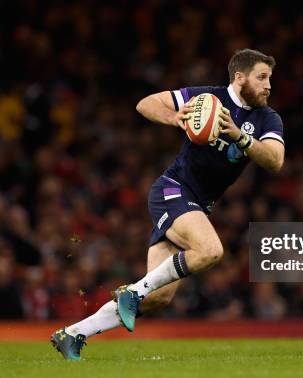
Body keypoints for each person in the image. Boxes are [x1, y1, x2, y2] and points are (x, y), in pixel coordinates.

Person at [51, 49, 285, 360]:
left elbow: (275, 160)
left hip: (197, 205)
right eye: (262, 77)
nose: (269, 85)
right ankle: (131, 293)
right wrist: (174, 117)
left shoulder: (267, 118)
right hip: (173, 191)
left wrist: (239, 136)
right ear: (239, 78)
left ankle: (73, 334)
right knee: (211, 250)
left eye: (270, 78)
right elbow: (145, 103)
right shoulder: (207, 98)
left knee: (157, 297)